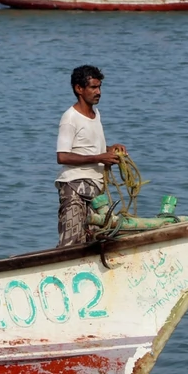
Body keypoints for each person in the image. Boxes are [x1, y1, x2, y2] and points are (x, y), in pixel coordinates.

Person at [55, 65, 128, 247]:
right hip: (75, 189)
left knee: (95, 241)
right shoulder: (70, 118)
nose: (99, 92)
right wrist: (98, 158)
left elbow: (92, 148)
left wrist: (111, 150)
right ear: (79, 89)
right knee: (71, 245)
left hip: (96, 190)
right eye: (93, 87)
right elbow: (62, 157)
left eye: (99, 87)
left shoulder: (96, 114)